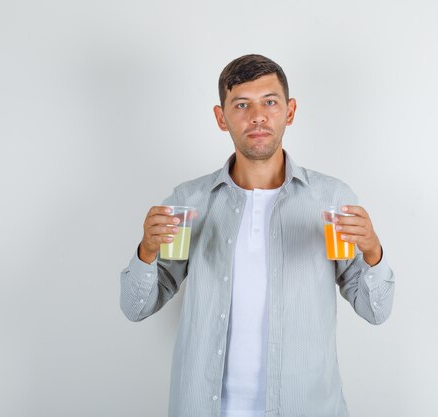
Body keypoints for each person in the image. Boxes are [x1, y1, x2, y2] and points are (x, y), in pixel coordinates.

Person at [120, 54, 395, 417]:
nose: (258, 116)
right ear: (222, 118)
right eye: (242, 104)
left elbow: (376, 311)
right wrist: (146, 252)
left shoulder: (331, 200)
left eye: (270, 102)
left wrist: (373, 252)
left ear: (290, 111)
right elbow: (136, 307)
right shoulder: (189, 203)